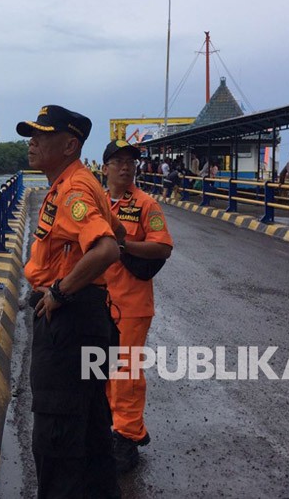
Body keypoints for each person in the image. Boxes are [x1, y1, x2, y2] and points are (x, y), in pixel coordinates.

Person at [16, 105, 122, 499]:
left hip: (69, 327)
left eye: (42, 134)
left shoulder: (74, 190)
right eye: (33, 134)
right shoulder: (77, 184)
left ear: (70, 144)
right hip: (88, 320)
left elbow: (108, 247)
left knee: (57, 441)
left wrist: (61, 291)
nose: (33, 142)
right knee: (91, 431)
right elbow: (118, 229)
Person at [101, 140, 173, 473]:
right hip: (96, 302)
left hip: (131, 304)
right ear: (105, 169)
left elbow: (161, 248)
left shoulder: (146, 206)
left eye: (131, 162)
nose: (126, 167)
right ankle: (111, 430)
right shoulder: (94, 205)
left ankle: (127, 437)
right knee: (98, 369)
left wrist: (123, 243)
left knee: (125, 375)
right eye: (118, 161)